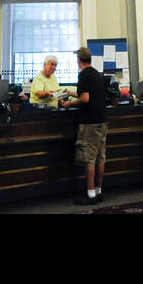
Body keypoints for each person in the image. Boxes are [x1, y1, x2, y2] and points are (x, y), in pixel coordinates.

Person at [60, 46, 106, 205]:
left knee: (89, 159)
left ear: (79, 60)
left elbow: (85, 99)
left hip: (90, 122)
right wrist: (70, 93)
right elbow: (88, 94)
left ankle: (90, 194)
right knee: (100, 157)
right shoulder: (96, 73)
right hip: (102, 121)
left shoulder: (83, 74)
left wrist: (68, 104)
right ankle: (99, 191)